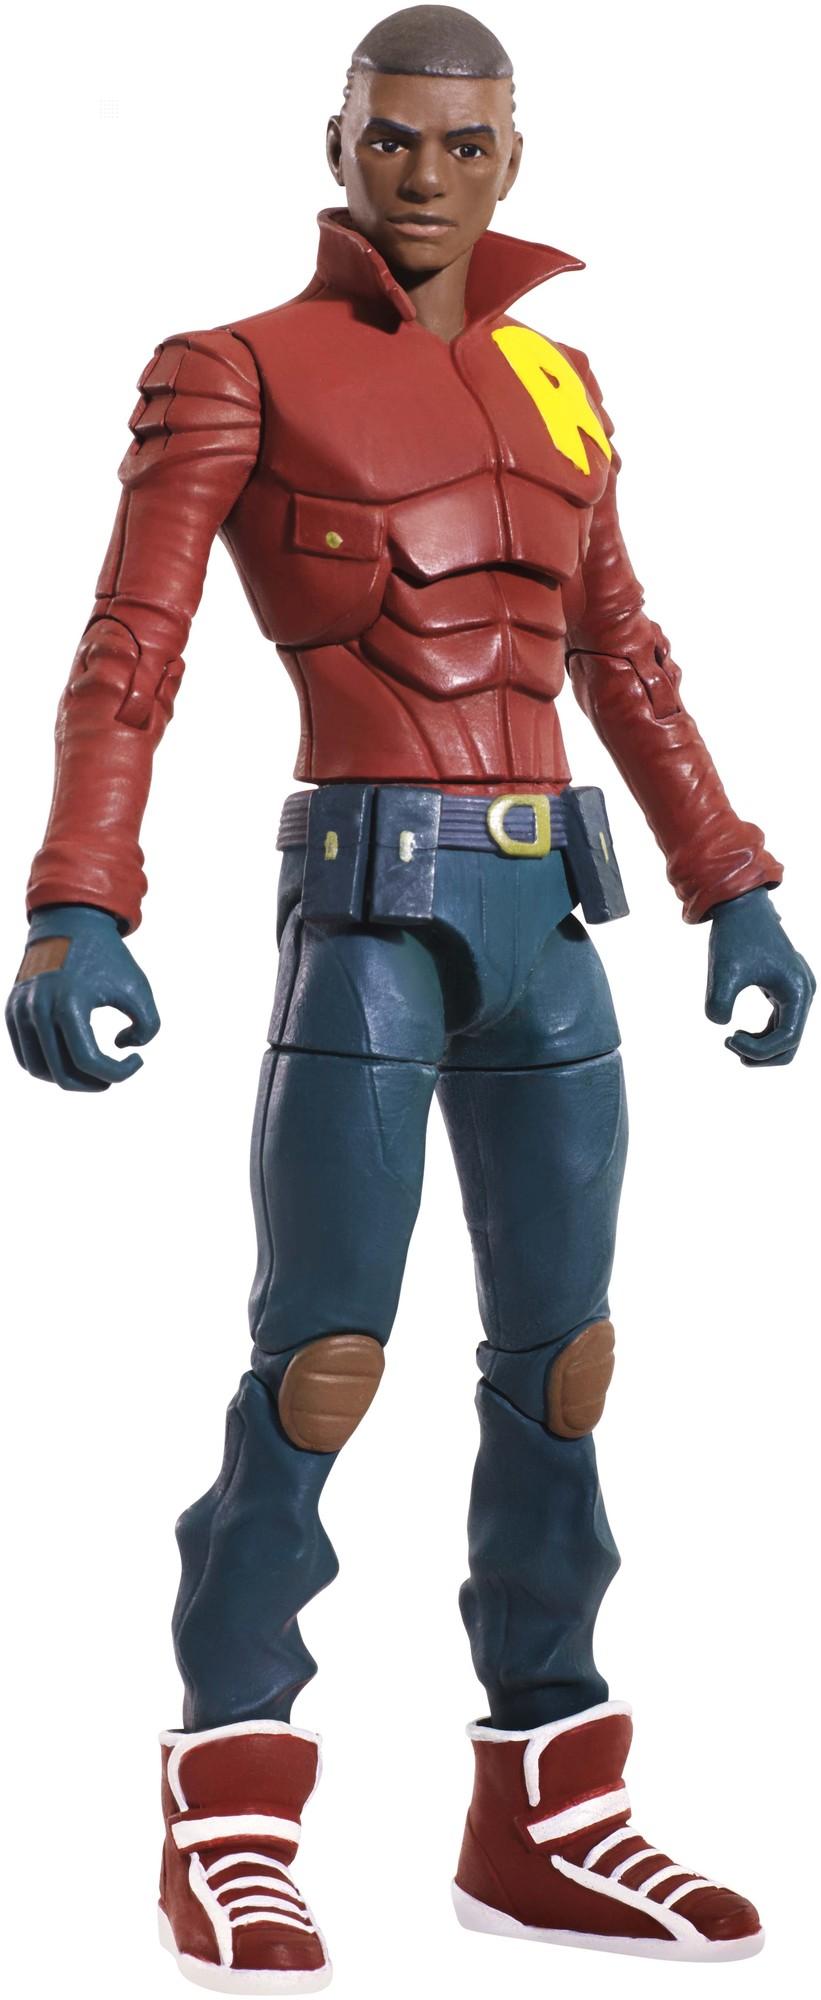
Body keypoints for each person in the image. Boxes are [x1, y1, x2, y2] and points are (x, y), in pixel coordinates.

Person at [6, 6, 814, 1989]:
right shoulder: (233, 367)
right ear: (340, 143)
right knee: (321, 1362)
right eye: (393, 139)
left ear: (511, 154)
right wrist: (78, 898)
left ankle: (545, 1806)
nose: (426, 175)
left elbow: (625, 655)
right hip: (366, 910)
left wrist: (732, 884)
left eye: (463, 144)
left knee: (565, 1367)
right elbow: (131, 651)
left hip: (552, 921)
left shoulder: (557, 378)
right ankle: (231, 1807)